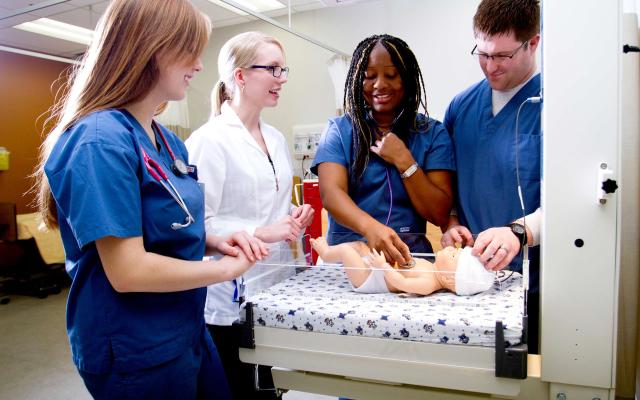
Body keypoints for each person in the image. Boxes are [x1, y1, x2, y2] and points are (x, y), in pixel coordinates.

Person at [33, 1, 267, 398]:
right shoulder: (98, 141)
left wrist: (214, 241)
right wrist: (225, 270)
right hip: (136, 347)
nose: (198, 65)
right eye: (189, 51)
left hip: (185, 328)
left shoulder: (167, 142)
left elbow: (165, 223)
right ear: (150, 48)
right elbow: (128, 271)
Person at [185, 32, 314, 400]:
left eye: (283, 69)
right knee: (241, 390)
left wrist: (293, 214)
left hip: (273, 286)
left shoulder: (273, 137)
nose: (281, 79)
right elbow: (198, 224)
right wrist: (264, 231)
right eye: (272, 69)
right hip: (228, 296)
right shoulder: (209, 141)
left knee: (269, 389)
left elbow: (265, 204)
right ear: (240, 76)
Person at [441, 0, 542, 352]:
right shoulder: (460, 107)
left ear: (533, 43)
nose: (490, 66)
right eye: (482, 53)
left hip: (534, 280)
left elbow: (574, 203)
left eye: (502, 56)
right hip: (472, 280)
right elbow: (450, 183)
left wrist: (519, 231)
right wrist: (451, 221)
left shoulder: (553, 106)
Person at [311, 34, 455, 267]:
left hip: (409, 260)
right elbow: (331, 194)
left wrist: (405, 161)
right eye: (369, 76)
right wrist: (371, 229)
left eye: (391, 75)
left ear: (407, 79)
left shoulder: (432, 133)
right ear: (358, 80)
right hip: (348, 261)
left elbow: (439, 213)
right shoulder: (339, 130)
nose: (379, 84)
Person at [310, 237, 495, 297]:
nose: (449, 249)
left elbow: (400, 282)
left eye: (453, 255)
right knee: (359, 246)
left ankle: (326, 254)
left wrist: (383, 266)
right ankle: (331, 252)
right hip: (376, 269)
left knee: (346, 251)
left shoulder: (428, 284)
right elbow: (407, 267)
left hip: (368, 279)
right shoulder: (431, 269)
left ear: (449, 278)